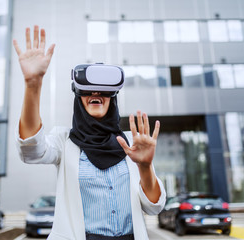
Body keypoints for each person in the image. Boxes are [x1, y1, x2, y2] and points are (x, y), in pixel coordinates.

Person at [13, 25, 166, 240]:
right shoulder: (65, 142)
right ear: (78, 96)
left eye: (103, 89)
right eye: (88, 88)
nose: (95, 92)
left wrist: (145, 166)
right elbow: (30, 150)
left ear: (112, 97)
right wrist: (33, 84)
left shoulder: (132, 143)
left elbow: (154, 207)